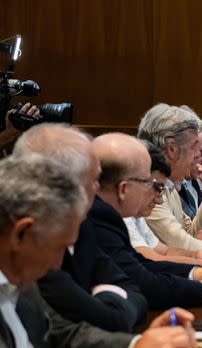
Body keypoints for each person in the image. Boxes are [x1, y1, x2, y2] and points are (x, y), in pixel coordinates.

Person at [0, 154, 196, 348]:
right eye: (59, 247)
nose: (58, 263)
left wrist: (142, 344)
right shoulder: (23, 270)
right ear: (21, 233)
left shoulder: (19, 271)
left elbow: (62, 336)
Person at [90, 133, 202, 310]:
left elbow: (145, 263)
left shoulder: (114, 212)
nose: (199, 158)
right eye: (150, 184)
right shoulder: (99, 215)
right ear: (171, 148)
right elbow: (141, 276)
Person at [15, 124, 148, 332]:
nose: (98, 188)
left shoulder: (82, 224)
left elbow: (135, 291)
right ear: (68, 184)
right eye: (94, 179)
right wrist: (109, 296)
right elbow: (111, 321)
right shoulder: (33, 243)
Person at [138, 103, 202, 252]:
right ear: (172, 148)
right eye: (193, 148)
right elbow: (181, 244)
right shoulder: (146, 188)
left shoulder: (170, 185)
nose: (195, 157)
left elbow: (191, 233)